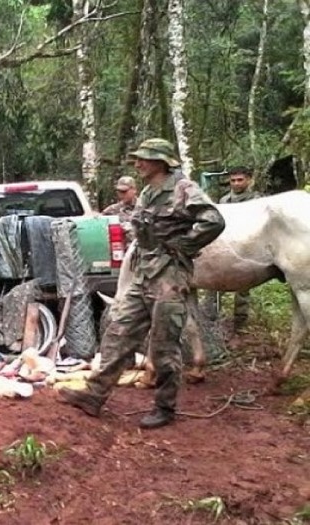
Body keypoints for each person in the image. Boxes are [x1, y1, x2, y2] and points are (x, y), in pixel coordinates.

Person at [58, 138, 225, 429]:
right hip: (144, 273)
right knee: (118, 331)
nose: (137, 164)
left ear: (161, 161)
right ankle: (94, 395)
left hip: (170, 276)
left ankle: (164, 407)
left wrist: (184, 245)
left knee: (164, 344)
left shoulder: (184, 189)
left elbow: (213, 221)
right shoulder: (147, 192)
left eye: (143, 159)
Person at [209, 166, 261, 330]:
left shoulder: (257, 199)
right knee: (215, 282)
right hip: (226, 246)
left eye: (240, 180)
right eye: (233, 180)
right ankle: (211, 317)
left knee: (243, 286)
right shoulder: (224, 201)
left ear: (249, 180)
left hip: (248, 247)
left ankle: (240, 322)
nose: (236, 184)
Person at [102, 175, 138, 244]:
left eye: (124, 191)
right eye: (119, 191)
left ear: (134, 190)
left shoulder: (145, 208)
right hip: (121, 251)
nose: (121, 194)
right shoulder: (112, 210)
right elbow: (100, 225)